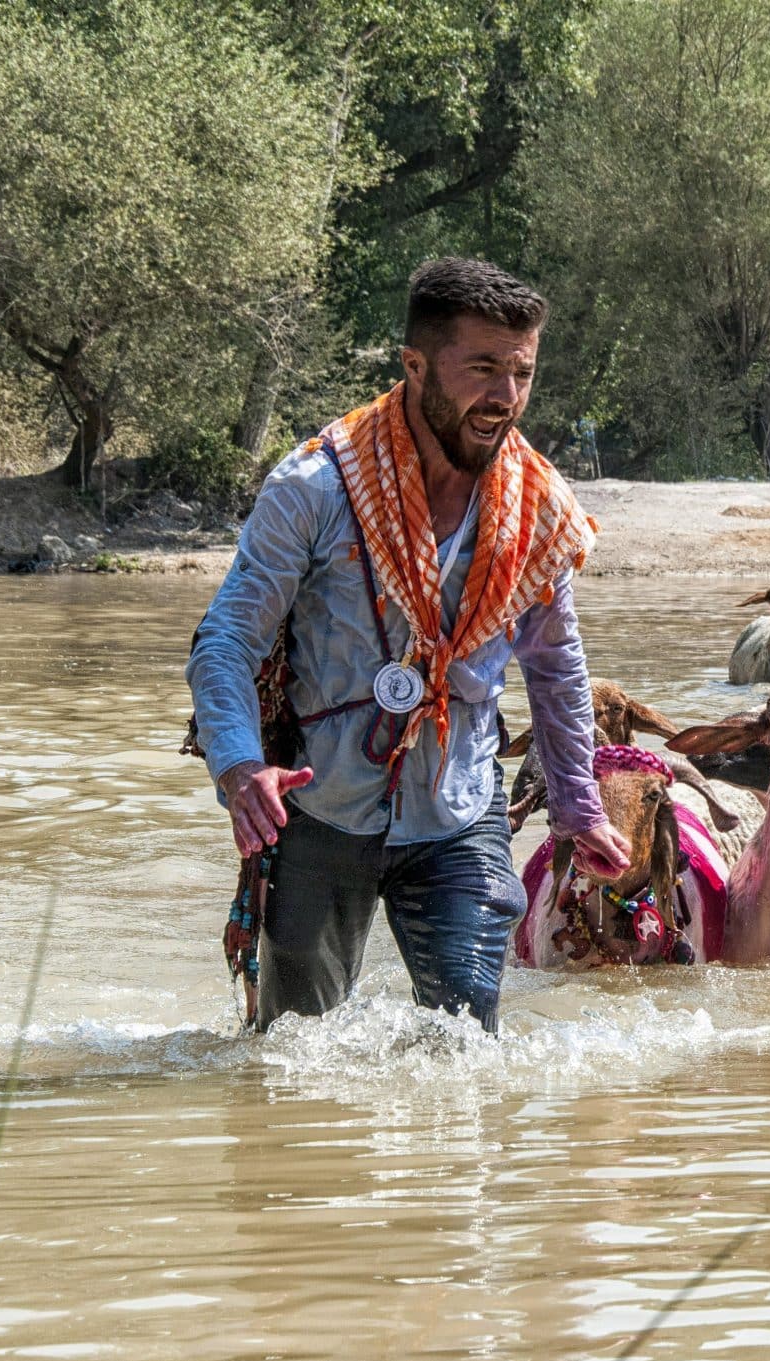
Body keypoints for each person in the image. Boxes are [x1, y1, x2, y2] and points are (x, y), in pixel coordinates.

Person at [186, 257, 630, 1031]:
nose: (505, 397)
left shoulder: (539, 510)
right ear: (416, 365)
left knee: (465, 1040)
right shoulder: (316, 487)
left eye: (522, 373)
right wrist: (239, 766)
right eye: (484, 369)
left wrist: (577, 806)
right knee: (295, 1051)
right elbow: (225, 638)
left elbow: (556, 670)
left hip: (459, 808)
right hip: (320, 805)